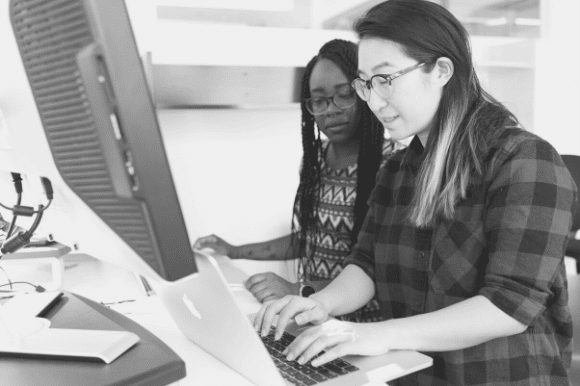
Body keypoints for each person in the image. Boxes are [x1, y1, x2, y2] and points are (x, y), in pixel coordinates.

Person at [253, 1, 578, 385]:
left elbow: (509, 305)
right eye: (365, 83)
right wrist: (316, 304)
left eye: (385, 78)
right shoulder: (396, 170)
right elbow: (366, 264)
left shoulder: (523, 160)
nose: (373, 100)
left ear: (441, 71)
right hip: (414, 374)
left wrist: (377, 334)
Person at [194, 39, 401, 323]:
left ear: (364, 92)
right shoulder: (314, 161)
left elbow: (379, 270)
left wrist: (298, 290)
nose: (330, 109)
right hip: (313, 318)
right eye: (319, 100)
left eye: (344, 95)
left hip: (364, 327)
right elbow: (311, 238)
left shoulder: (393, 165)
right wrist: (233, 250)